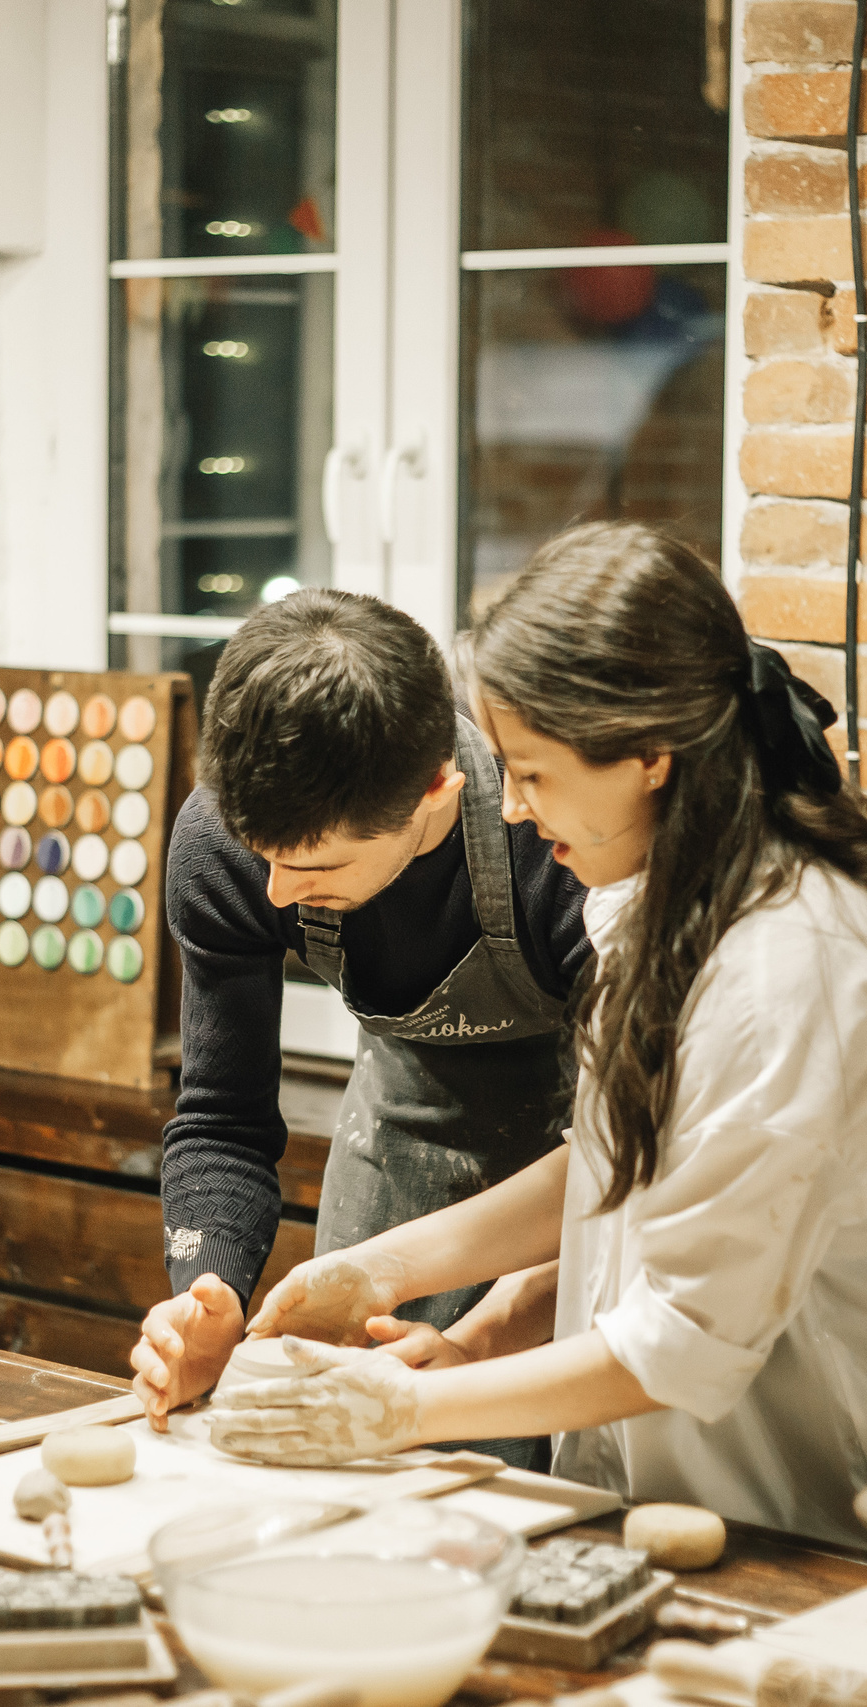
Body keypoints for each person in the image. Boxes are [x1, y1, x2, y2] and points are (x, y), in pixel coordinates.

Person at [205, 523, 867, 1552]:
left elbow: (683, 1340)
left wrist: (401, 1411)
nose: (516, 813)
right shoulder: (663, 899)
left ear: (649, 756)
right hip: (833, 1480)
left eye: (532, 774)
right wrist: (440, 1307)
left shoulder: (787, 971)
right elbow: (630, 1178)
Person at [131, 590, 590, 1466]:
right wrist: (207, 1296)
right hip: (392, 1166)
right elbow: (222, 1118)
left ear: (435, 789)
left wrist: (498, 1323)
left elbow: (625, 1156)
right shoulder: (224, 846)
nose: (273, 895)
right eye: (259, 854)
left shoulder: (556, 849)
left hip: (577, 1179)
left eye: (316, 867)